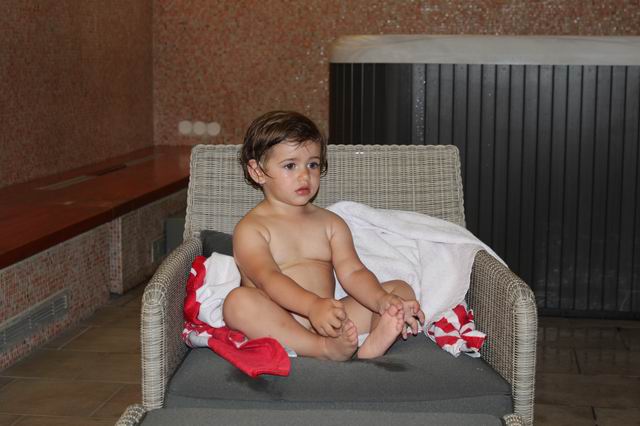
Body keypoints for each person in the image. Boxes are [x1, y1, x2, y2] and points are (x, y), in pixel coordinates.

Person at [222, 111, 425, 361]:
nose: (304, 175)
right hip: (278, 320)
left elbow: (353, 272)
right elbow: (268, 279)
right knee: (238, 302)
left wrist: (381, 300)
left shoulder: (330, 223)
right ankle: (321, 348)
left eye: (313, 164)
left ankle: (374, 342)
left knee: (399, 289)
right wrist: (311, 306)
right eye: (290, 165)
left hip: (331, 319)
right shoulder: (252, 228)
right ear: (257, 171)